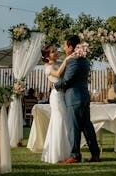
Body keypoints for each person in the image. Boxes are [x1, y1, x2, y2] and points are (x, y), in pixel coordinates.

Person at [54, 34, 101, 164]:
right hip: (83, 96)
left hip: (74, 98)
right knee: (87, 127)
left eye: (64, 45)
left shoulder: (73, 60)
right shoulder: (84, 59)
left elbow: (67, 80)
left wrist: (55, 85)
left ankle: (75, 156)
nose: (63, 48)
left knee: (73, 128)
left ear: (70, 47)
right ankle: (95, 154)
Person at [40, 44, 71, 163]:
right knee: (59, 121)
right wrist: (67, 60)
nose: (56, 52)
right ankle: (58, 154)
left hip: (63, 95)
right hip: (56, 97)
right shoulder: (47, 66)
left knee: (64, 121)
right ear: (47, 56)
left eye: (55, 50)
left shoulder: (58, 64)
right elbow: (57, 74)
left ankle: (66, 152)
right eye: (52, 52)